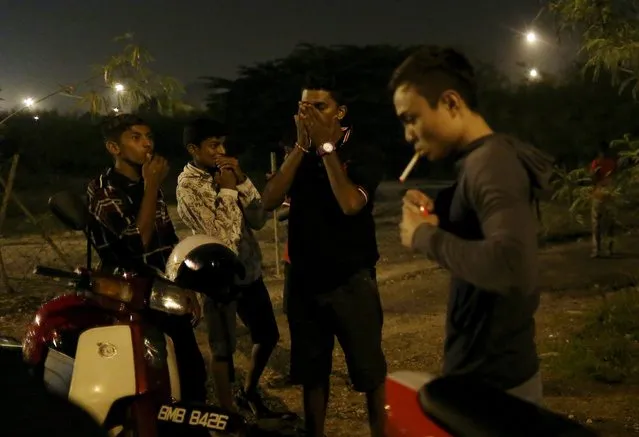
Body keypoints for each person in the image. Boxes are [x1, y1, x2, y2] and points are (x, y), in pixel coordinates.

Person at [390, 46, 554, 405]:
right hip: (485, 377)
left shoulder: (491, 163)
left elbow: (513, 267)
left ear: (451, 103)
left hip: (497, 387)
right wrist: (439, 220)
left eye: (411, 118)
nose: (408, 134)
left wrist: (424, 235)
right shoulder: (479, 162)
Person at [262, 77, 387, 437]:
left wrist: (327, 148)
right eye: (305, 108)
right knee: (312, 373)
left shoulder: (362, 150)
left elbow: (351, 204)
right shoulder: (295, 150)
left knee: (368, 370)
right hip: (302, 278)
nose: (311, 114)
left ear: (341, 112)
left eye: (320, 107)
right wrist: (301, 149)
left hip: (351, 278)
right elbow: (269, 201)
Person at [86, 114, 207, 403]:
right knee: (145, 373)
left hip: (162, 290)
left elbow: (165, 241)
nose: (147, 144)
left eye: (149, 136)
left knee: (190, 370)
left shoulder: (149, 185)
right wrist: (151, 185)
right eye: (136, 138)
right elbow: (135, 243)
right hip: (126, 293)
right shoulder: (103, 188)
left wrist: (185, 286)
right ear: (114, 148)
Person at [176, 118, 283, 418]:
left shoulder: (227, 173)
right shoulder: (188, 187)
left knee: (267, 336)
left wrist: (243, 180)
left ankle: (249, 391)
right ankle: (226, 412)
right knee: (222, 349)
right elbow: (224, 238)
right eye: (213, 145)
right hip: (217, 278)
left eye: (222, 144)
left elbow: (259, 219)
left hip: (248, 271)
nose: (221, 151)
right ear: (193, 149)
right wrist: (227, 191)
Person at [590, 141, 617, 258]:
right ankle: (609, 249)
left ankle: (597, 249)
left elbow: (592, 177)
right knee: (609, 222)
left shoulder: (596, 163)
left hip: (598, 193)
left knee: (596, 222)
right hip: (610, 193)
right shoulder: (611, 163)